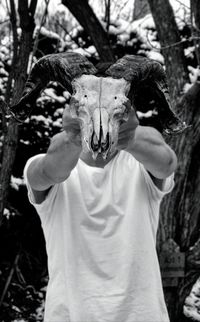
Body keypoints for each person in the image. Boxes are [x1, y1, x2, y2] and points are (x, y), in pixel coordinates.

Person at [24, 106, 177, 322]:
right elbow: (46, 170)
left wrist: (129, 137)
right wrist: (75, 138)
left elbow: (167, 163)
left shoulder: (140, 165)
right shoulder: (52, 162)